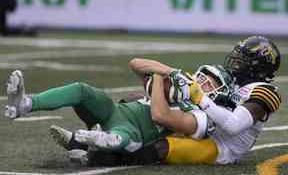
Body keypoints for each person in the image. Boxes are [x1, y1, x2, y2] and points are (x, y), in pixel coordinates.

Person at [63, 35, 281, 166]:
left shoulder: (264, 92)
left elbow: (233, 126)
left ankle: (97, 158)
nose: (236, 62)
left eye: (243, 59)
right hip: (202, 118)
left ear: (257, 66)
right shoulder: (231, 78)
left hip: (220, 146)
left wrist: (200, 99)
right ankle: (88, 138)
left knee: (163, 148)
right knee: (136, 101)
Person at [4, 58, 232, 156]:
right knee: (82, 91)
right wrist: (171, 73)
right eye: (202, 77)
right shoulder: (181, 83)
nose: (201, 83)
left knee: (121, 139)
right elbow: (135, 63)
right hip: (118, 112)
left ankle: (92, 143)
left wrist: (159, 82)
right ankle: (25, 103)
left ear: (218, 93)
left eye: (209, 83)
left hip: (142, 132)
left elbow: (160, 116)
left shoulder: (203, 116)